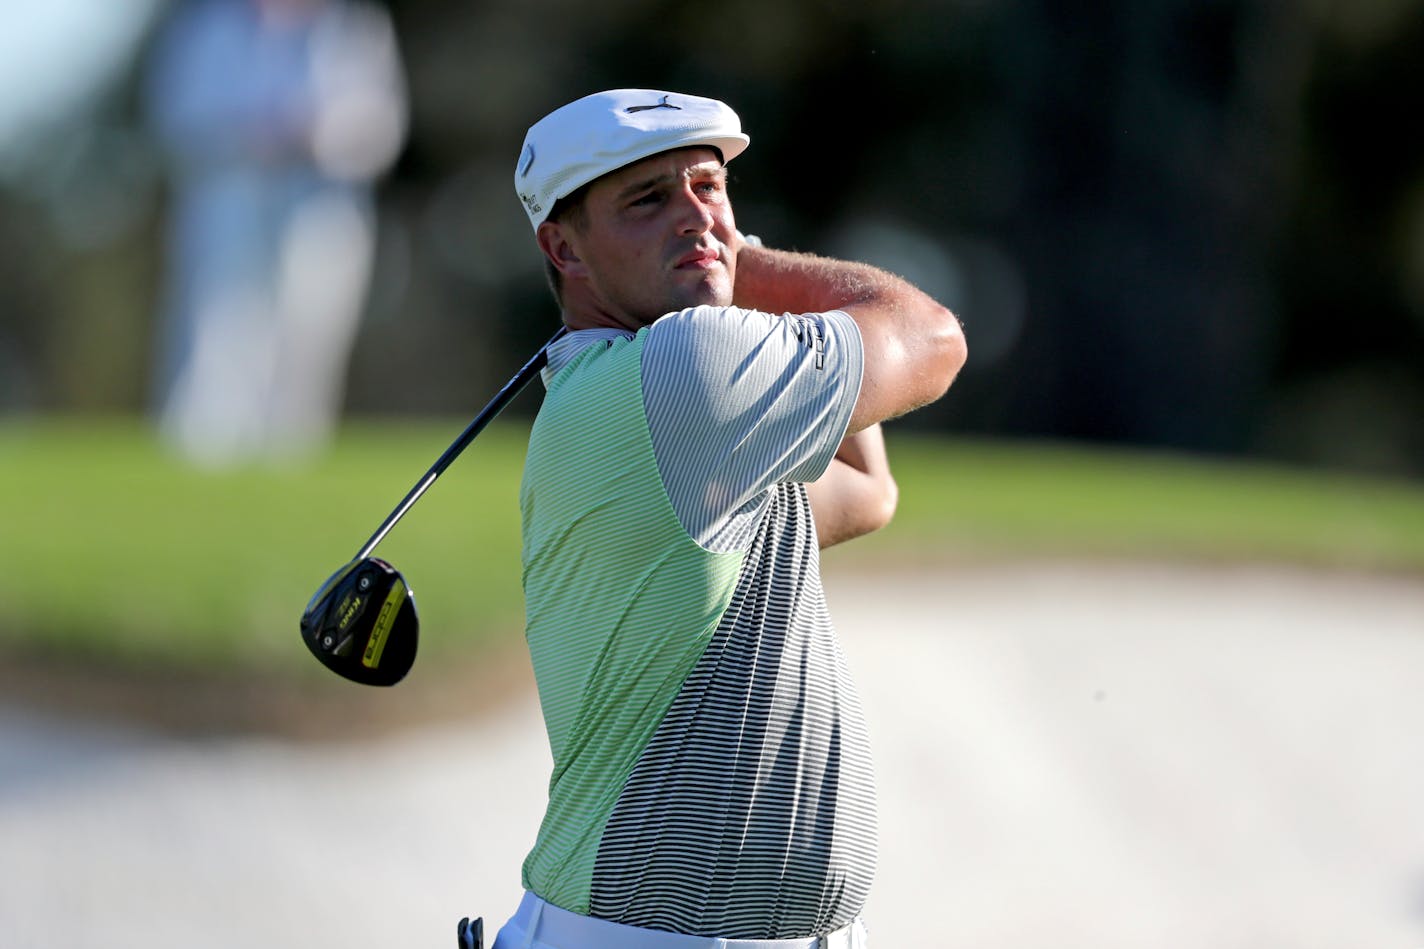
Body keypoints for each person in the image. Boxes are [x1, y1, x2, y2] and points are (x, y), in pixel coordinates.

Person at [496, 89, 966, 949]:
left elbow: (866, 491)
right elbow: (933, 337)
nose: (695, 217)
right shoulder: (682, 372)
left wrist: (711, 264)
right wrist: (739, 264)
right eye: (649, 199)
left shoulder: (656, 407)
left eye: (709, 187)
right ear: (563, 248)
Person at [145, 0, 406, 465]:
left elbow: (382, 126)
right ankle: (201, 456)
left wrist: (319, 132)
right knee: (219, 326)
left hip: (322, 205)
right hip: (230, 195)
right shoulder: (207, 27)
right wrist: (250, 132)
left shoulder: (354, 28)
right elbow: (178, 119)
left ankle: (289, 456)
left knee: (310, 328)